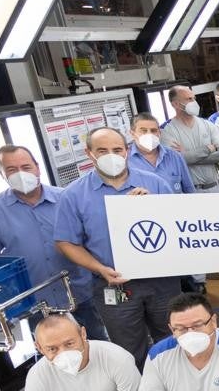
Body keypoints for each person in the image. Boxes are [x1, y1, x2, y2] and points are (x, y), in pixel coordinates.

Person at [54, 127, 176, 369]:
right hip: (114, 285)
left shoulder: (155, 184)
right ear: (89, 153)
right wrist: (99, 268)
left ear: (127, 151)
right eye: (102, 150)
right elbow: (65, 242)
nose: (111, 155)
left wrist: (153, 208)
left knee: (173, 340)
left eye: (117, 149)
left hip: (162, 281)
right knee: (128, 350)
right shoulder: (74, 195)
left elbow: (179, 226)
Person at [0, 145, 106, 340]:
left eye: (26, 167)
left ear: (37, 168)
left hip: (80, 293)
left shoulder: (67, 198)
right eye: (12, 170)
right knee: (52, 355)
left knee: (97, 346)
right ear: (1, 173)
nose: (21, 174)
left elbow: (92, 241)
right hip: (35, 302)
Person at [160, 85, 219, 192]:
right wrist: (207, 149)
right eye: (189, 99)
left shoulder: (208, 125)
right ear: (175, 104)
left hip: (217, 187)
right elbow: (176, 161)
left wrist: (188, 156)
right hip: (192, 191)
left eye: (194, 98)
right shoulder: (166, 131)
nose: (194, 102)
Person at [128, 113, 194, 194]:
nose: (149, 134)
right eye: (143, 131)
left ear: (159, 133)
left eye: (153, 130)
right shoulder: (125, 160)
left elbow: (189, 190)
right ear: (132, 134)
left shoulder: (175, 157)